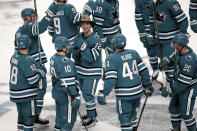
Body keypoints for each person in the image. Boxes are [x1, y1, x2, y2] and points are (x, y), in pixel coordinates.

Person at [97, 33, 154, 131]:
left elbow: (111, 79)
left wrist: (104, 93)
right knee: (133, 113)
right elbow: (144, 71)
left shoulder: (111, 58)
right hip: (137, 93)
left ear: (114, 44)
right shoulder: (134, 53)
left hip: (124, 95)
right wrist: (147, 85)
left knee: (124, 117)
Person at [14, 3, 57, 125]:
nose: (35, 18)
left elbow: (17, 52)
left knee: (33, 91)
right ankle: (34, 116)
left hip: (26, 66)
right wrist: (51, 11)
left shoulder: (18, 31)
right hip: (35, 65)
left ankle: (30, 116)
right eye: (33, 16)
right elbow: (41, 28)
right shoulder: (29, 26)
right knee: (39, 91)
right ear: (27, 17)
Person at [161, 33, 197, 131]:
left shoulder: (189, 60)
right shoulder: (179, 51)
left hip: (188, 89)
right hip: (178, 85)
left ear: (181, 45)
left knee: (186, 113)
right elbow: (173, 57)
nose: (174, 46)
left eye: (175, 44)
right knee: (174, 109)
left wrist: (169, 89)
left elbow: (183, 82)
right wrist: (166, 60)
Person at [71, 14, 102, 127]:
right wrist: (80, 50)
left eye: (87, 24)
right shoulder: (78, 36)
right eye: (82, 24)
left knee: (88, 94)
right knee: (84, 93)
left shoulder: (96, 39)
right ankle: (91, 113)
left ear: (90, 25)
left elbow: (91, 58)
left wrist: (82, 48)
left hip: (92, 71)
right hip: (80, 70)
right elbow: (73, 52)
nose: (84, 26)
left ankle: (92, 117)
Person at [9, 35, 46, 131]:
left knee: (21, 117)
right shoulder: (26, 60)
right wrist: (41, 71)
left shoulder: (14, 56)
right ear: (29, 44)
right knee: (29, 118)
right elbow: (33, 80)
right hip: (27, 95)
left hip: (16, 93)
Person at [50, 36, 81, 131]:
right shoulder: (67, 62)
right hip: (65, 95)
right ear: (63, 48)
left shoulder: (53, 58)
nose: (69, 47)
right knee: (69, 120)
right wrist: (75, 96)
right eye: (67, 46)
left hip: (56, 92)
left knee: (59, 118)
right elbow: (68, 83)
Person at [154, 0, 188, 83]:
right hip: (160, 40)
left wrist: (182, 36)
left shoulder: (171, 3)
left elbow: (183, 20)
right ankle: (169, 83)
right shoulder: (156, 4)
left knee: (171, 63)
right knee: (165, 64)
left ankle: (174, 84)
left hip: (171, 40)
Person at [134, 0, 159, 80]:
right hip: (149, 30)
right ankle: (155, 70)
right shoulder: (139, 2)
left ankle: (166, 73)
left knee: (163, 50)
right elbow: (138, 18)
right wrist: (142, 32)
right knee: (151, 50)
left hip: (160, 29)